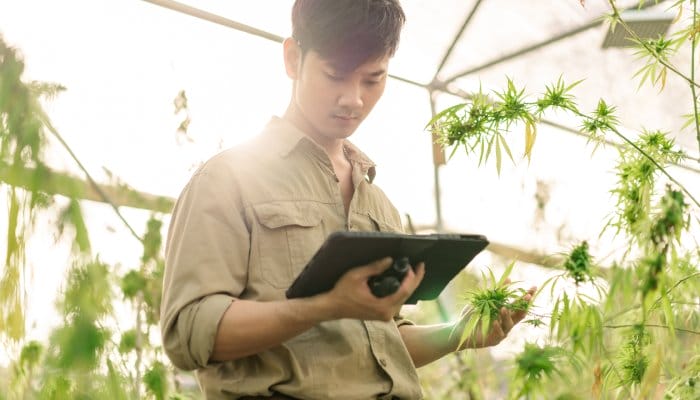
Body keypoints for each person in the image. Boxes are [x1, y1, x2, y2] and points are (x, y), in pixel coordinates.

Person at [160, 1, 535, 399]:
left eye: (373, 79)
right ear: (293, 58)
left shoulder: (379, 205)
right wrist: (324, 306)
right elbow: (188, 334)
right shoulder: (227, 180)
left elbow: (378, 343)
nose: (354, 99)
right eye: (335, 75)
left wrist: (458, 334)